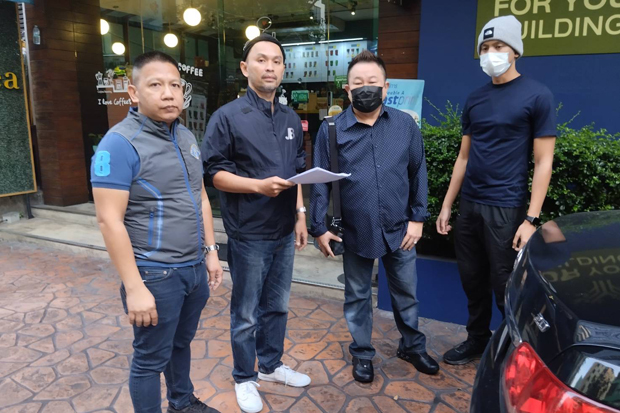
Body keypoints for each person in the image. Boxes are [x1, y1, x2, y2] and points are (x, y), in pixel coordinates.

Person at [91, 51, 223, 413]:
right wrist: (134, 287)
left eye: (175, 85)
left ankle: (182, 403)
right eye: (155, 85)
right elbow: (109, 220)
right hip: (155, 273)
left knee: (180, 344)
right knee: (149, 359)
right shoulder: (119, 144)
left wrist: (211, 252)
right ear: (133, 93)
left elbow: (200, 198)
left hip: (193, 269)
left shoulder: (185, 137)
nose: (169, 94)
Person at [310, 50, 440, 383]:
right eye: (358, 83)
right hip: (354, 229)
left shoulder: (405, 125)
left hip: (400, 229)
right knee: (356, 295)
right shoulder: (332, 130)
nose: (365, 88)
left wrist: (418, 218)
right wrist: (319, 228)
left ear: (385, 86)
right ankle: (363, 353)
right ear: (347, 90)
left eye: (372, 82)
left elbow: (417, 173)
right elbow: (320, 180)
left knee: (406, 293)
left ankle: (412, 345)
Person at [436, 15, 556, 365]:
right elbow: (463, 156)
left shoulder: (537, 95)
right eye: (485, 48)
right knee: (471, 279)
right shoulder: (475, 98)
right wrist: (447, 206)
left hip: (507, 207)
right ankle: (477, 339)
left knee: (506, 285)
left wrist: (531, 219)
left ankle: (517, 350)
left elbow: (544, 161)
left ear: (515, 50)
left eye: (498, 46)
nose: (491, 54)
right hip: (471, 205)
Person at [201, 34, 310, 413]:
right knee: (246, 312)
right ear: (246, 69)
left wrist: (300, 215)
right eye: (261, 60)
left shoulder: (291, 117)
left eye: (276, 61)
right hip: (248, 232)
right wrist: (257, 186)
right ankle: (244, 377)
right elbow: (213, 174)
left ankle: (271, 365)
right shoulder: (227, 117)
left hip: (283, 230)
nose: (269, 67)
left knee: (277, 306)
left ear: (283, 69)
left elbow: (298, 172)